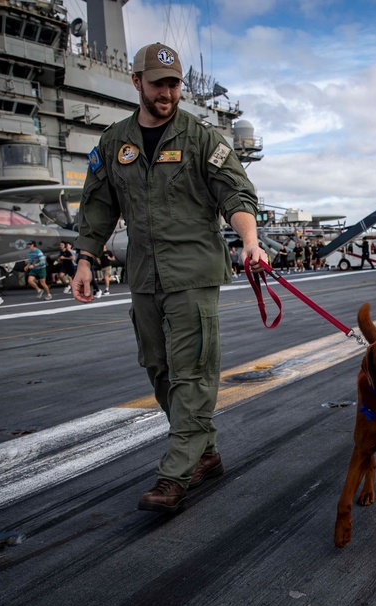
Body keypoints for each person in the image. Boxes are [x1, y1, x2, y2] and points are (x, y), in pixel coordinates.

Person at [70, 42, 268, 513]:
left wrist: (250, 240)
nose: (168, 92)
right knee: (159, 371)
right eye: (158, 83)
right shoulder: (113, 142)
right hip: (143, 277)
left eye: (174, 84)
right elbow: (98, 206)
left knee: (192, 375)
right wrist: (84, 260)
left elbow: (236, 194)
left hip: (192, 275)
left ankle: (174, 475)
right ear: (136, 82)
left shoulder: (201, 138)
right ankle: (205, 453)